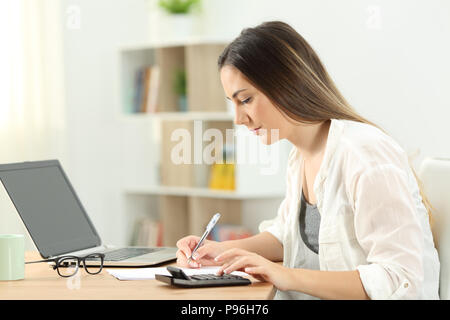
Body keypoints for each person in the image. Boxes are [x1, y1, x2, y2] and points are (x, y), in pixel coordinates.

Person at [175, 21, 440, 300]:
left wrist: (286, 276)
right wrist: (219, 252)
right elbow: (286, 236)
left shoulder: (364, 152)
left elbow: (398, 277)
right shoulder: (300, 157)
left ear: (286, 83)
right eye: (233, 103)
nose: (239, 119)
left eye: (246, 100)